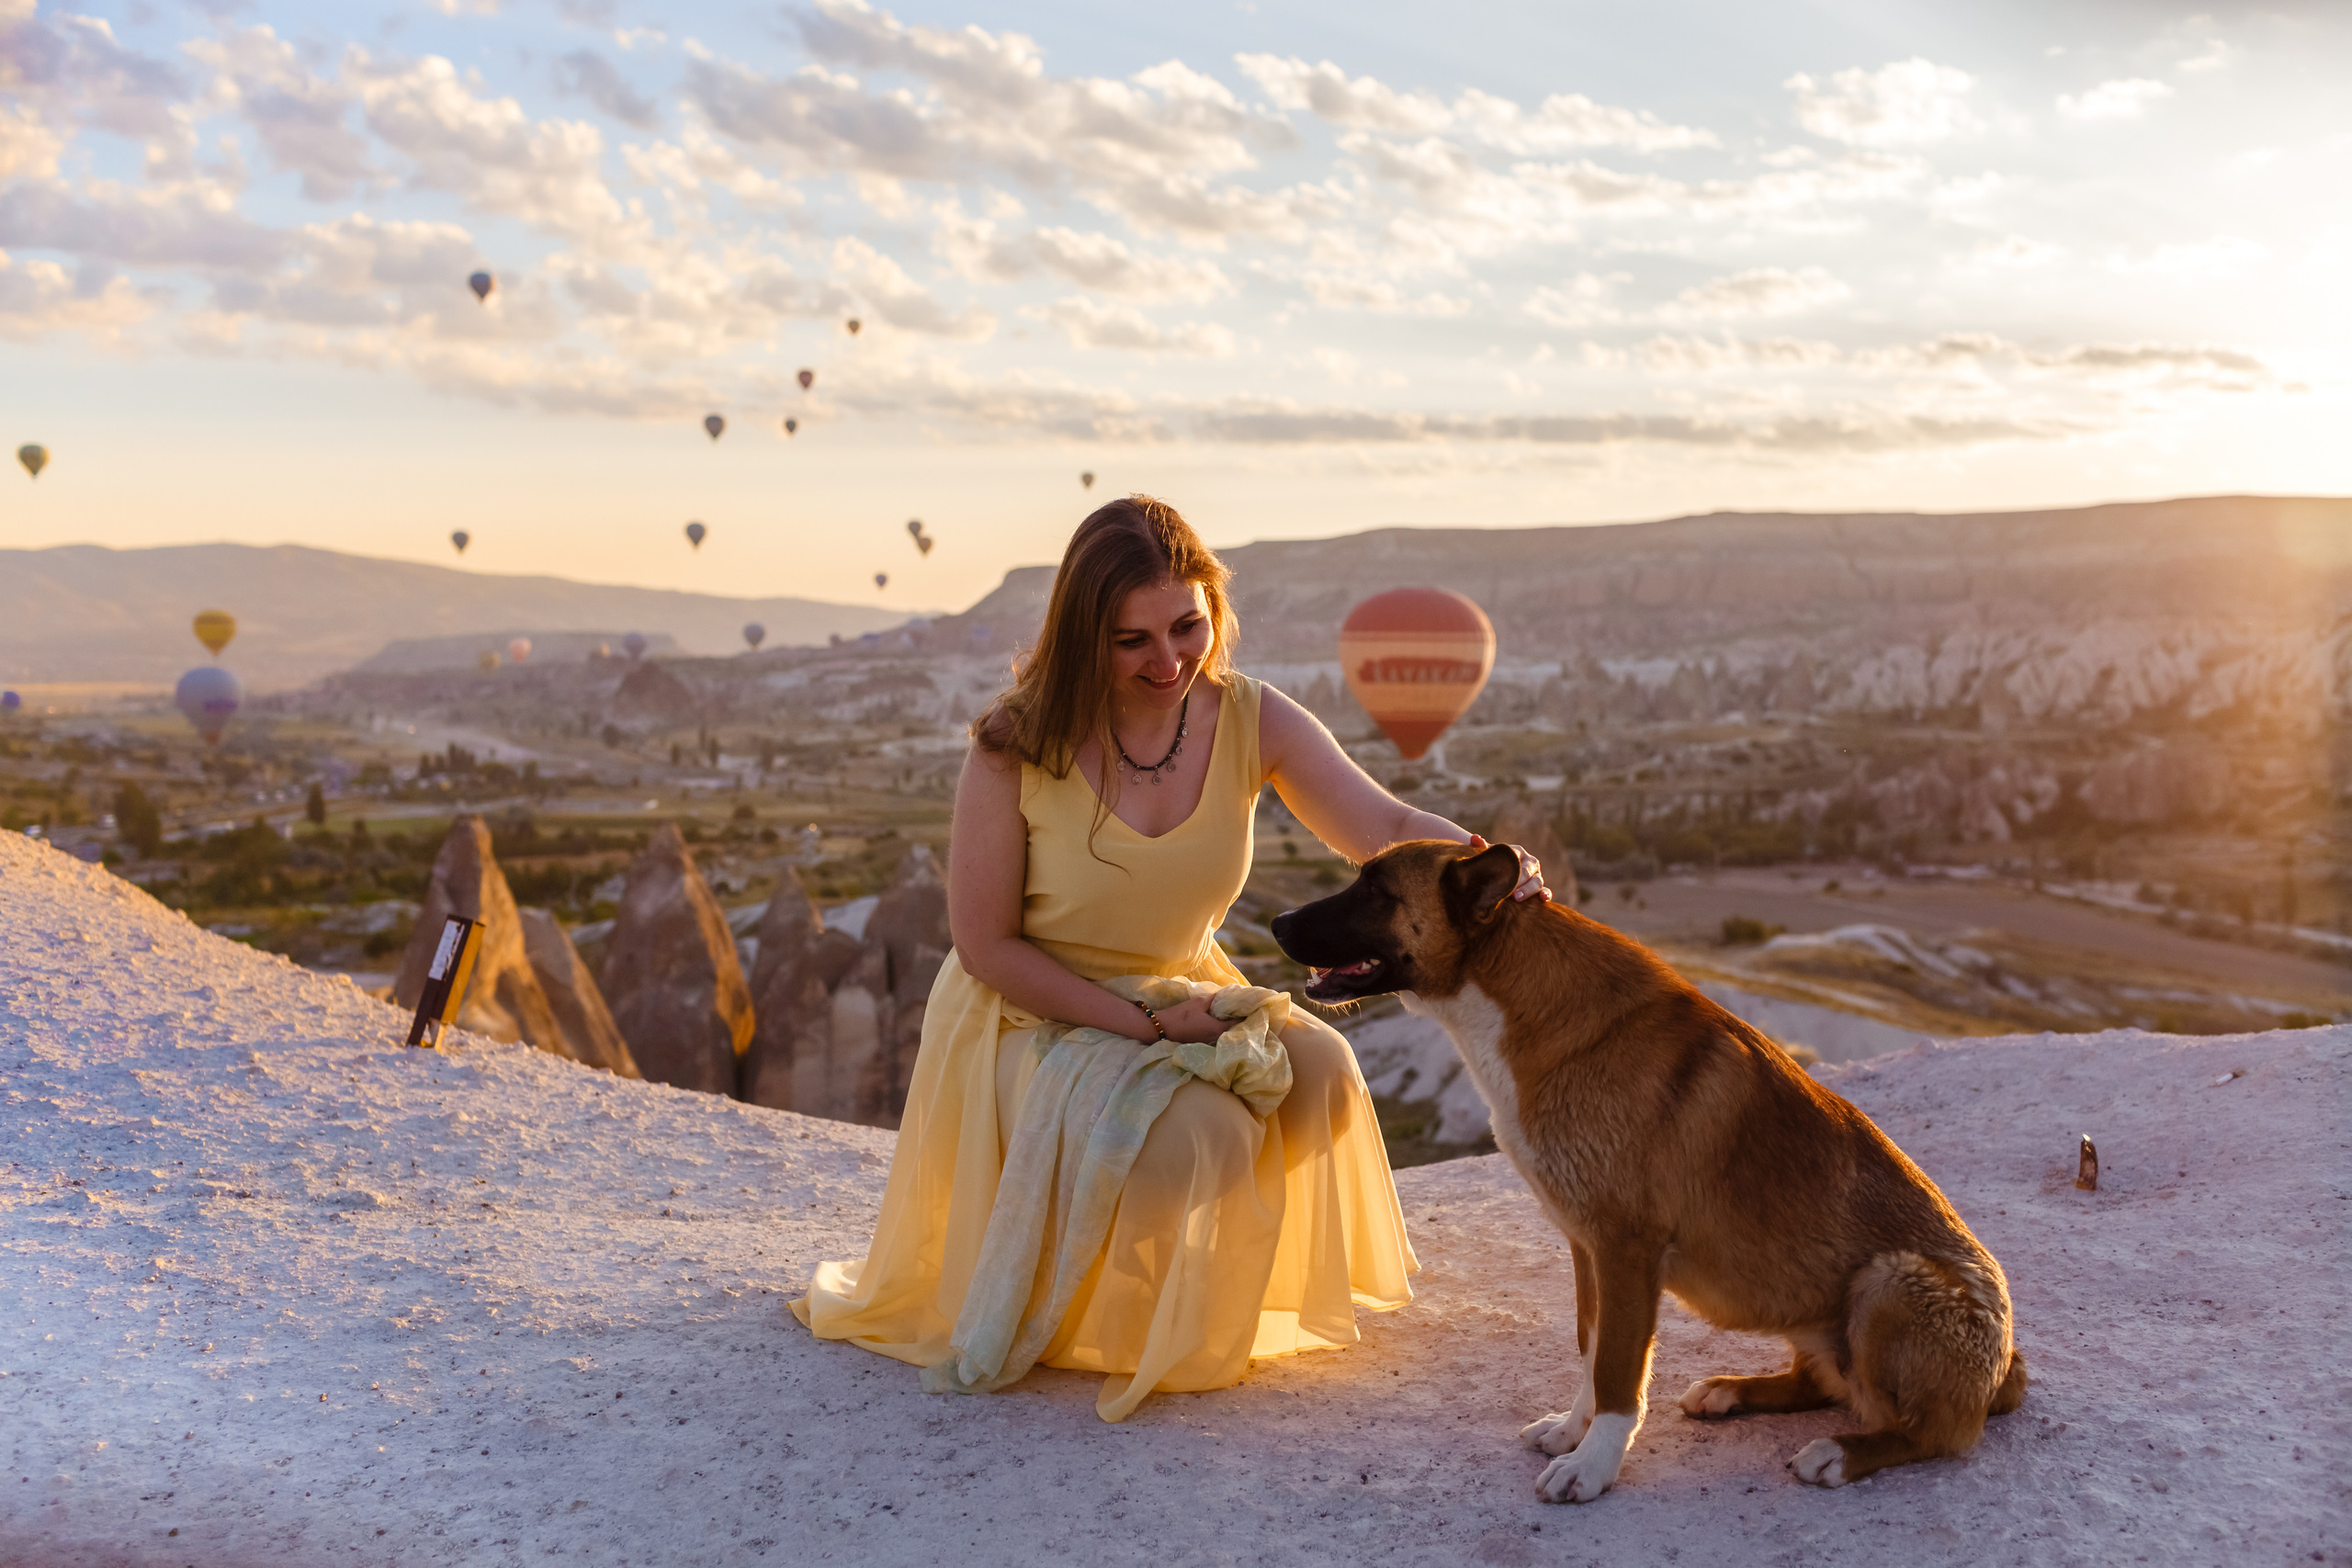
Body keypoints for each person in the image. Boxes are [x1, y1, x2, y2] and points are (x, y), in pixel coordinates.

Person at [794, 496, 1546, 1420]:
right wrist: (1149, 1025)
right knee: (1204, 1135)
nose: (1168, 662)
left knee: (1324, 1077)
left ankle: (1175, 1285)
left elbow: (1382, 826)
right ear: (1082, 636)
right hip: (1038, 1007)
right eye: (1130, 640)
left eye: (1187, 626)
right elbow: (987, 947)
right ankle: (1103, 1308)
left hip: (1186, 984)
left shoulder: (1248, 717)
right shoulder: (1013, 746)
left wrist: (1490, 867)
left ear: (1213, 612)